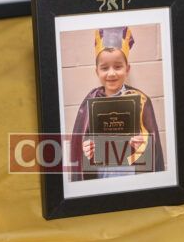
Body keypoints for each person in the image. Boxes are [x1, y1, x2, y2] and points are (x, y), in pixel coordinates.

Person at [70, 27, 165, 181]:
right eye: (104, 68)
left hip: (130, 174)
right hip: (102, 175)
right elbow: (81, 143)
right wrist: (86, 147)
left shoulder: (141, 100)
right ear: (97, 71)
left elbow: (153, 145)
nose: (112, 73)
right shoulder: (90, 101)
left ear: (127, 69)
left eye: (118, 66)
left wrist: (143, 142)